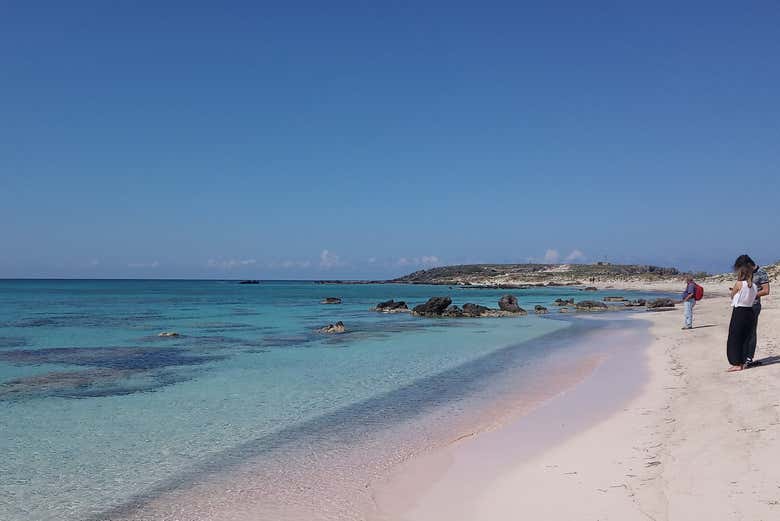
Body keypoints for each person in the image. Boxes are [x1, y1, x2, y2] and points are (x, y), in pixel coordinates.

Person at [733, 255, 771, 366]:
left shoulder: (761, 273)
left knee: (751, 332)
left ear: (749, 264)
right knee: (741, 331)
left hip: (754, 306)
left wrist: (751, 295)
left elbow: (766, 290)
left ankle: (749, 357)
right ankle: (742, 356)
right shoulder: (745, 273)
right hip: (741, 306)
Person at [726, 263, 758, 372]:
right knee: (746, 338)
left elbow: (732, 295)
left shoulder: (739, 283)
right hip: (750, 312)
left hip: (739, 312)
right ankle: (743, 362)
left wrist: (734, 292)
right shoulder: (754, 286)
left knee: (735, 338)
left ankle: (736, 363)